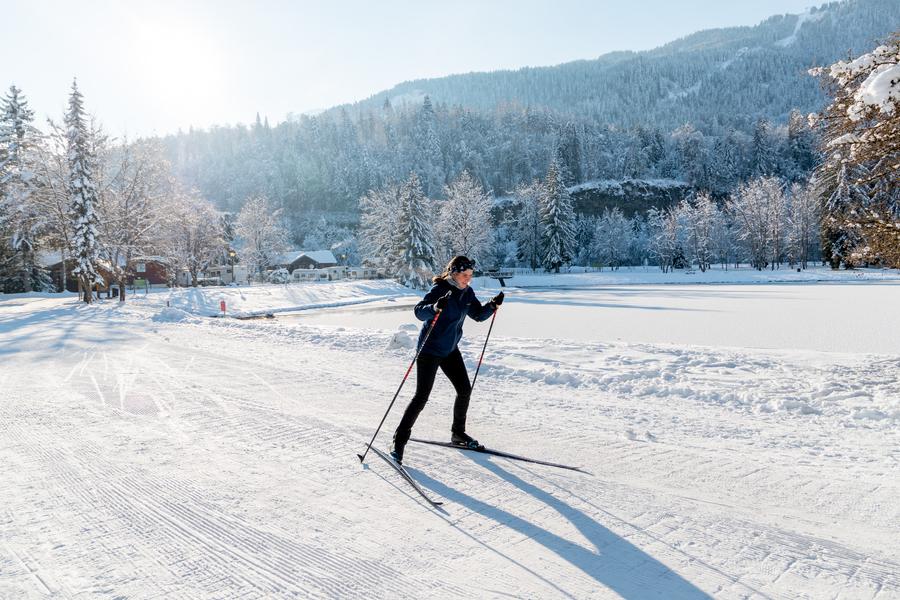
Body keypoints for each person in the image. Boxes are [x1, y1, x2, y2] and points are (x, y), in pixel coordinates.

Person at [390, 255, 504, 464]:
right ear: (453, 273)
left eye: (470, 275)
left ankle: (458, 433)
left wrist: (492, 306)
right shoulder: (441, 289)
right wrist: (434, 308)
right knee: (421, 397)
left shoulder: (467, 293)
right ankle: (398, 441)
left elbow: (477, 315)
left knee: (464, 390)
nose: (467, 279)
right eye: (464, 275)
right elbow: (418, 312)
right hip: (429, 350)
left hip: (450, 349)